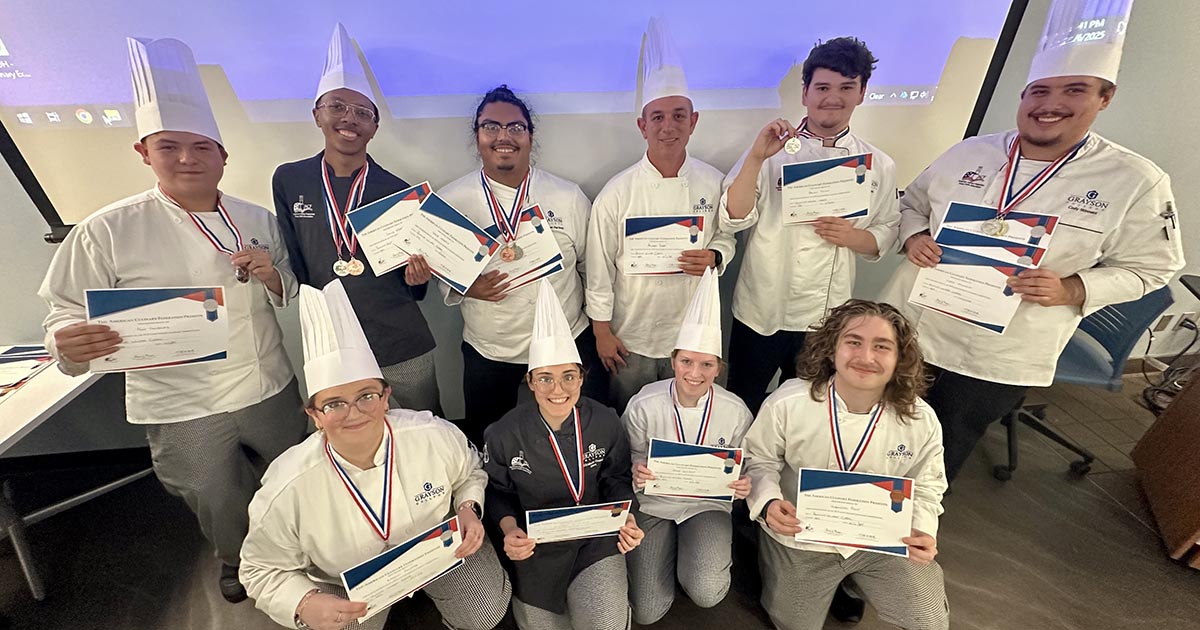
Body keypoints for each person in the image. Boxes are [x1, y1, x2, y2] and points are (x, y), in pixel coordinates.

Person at [37, 38, 308, 603]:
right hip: (179, 398)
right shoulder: (106, 229)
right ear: (144, 152)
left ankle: (301, 551)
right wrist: (67, 342)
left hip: (265, 381)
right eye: (169, 146)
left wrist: (271, 275)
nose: (187, 158)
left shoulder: (258, 219)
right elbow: (64, 309)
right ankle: (238, 559)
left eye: (201, 146)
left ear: (223, 156)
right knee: (212, 492)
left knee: (295, 474)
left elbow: (290, 287)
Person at [879, 0, 1184, 482]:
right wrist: (915, 235)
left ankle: (910, 523)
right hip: (913, 324)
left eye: (1075, 90)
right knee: (874, 426)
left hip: (996, 354)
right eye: (1040, 91)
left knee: (938, 452)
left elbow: (1153, 268)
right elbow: (911, 204)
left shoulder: (1135, 181)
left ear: (1105, 97)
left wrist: (1073, 288)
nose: (1050, 104)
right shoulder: (969, 152)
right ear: (1024, 96)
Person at [240, 280, 511, 630]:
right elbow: (258, 568)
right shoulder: (287, 485)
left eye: (366, 396)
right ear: (315, 415)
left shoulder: (432, 435)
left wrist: (468, 508)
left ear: (386, 398)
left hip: (439, 551)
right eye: (334, 404)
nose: (354, 413)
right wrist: (304, 603)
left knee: (484, 613)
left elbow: (470, 471)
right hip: (347, 582)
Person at [743, 300, 949, 630]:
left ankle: (854, 581)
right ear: (831, 349)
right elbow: (758, 459)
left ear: (899, 358)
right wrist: (768, 503)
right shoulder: (789, 402)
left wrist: (922, 528)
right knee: (795, 624)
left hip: (883, 540)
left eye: (881, 346)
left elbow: (928, 484)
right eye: (854, 342)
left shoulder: (920, 418)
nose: (866, 357)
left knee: (928, 620)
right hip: (802, 534)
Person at [720, 37, 899, 415]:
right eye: (822, 88)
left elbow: (886, 232)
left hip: (825, 315)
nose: (833, 98)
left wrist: (853, 237)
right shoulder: (770, 151)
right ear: (805, 93)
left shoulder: (878, 164)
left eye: (846, 88)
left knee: (807, 406)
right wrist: (756, 158)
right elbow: (733, 216)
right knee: (742, 401)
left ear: (862, 93)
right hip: (763, 304)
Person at [273, 23, 441, 413]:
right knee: (348, 429)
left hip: (399, 339)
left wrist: (418, 279)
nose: (349, 119)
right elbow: (298, 263)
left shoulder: (399, 190)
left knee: (424, 424)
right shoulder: (290, 179)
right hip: (332, 342)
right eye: (337, 107)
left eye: (362, 113)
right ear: (317, 114)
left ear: (374, 127)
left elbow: (413, 287)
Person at [439, 85, 604, 445]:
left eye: (515, 127)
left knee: (578, 436)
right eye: (491, 126)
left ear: (530, 136)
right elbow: (444, 271)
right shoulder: (450, 201)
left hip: (565, 338)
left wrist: (601, 330)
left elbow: (592, 269)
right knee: (489, 437)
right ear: (477, 135)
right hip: (490, 345)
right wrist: (467, 286)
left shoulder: (567, 196)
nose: (504, 136)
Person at [586, 17, 735, 412]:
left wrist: (716, 255)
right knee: (628, 418)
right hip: (630, 335)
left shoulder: (713, 182)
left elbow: (727, 235)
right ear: (642, 125)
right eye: (658, 117)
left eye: (679, 115)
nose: (669, 126)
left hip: (692, 336)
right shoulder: (616, 194)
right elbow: (598, 270)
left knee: (688, 418)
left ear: (693, 121)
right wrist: (602, 332)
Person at [483, 280, 643, 630]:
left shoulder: (605, 421)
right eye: (545, 379)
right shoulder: (503, 433)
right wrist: (510, 530)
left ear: (582, 378)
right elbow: (496, 492)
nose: (558, 389)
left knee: (605, 625)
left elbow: (616, 478)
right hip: (535, 545)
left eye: (569, 376)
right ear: (530, 381)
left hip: (595, 538)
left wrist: (628, 517)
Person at [622, 268, 753, 624]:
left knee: (707, 591)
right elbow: (628, 455)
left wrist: (745, 483)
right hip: (654, 504)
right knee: (647, 610)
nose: (695, 373)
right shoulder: (644, 403)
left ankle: (696, 554)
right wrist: (636, 469)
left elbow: (749, 464)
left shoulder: (735, 410)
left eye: (706, 364)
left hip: (706, 505)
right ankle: (671, 553)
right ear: (673, 362)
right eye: (686, 362)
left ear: (718, 368)